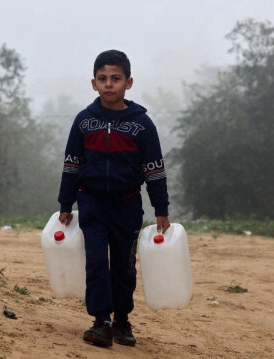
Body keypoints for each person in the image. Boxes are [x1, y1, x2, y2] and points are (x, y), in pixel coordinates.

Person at [57, 49, 170, 348]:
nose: (109, 84)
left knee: (124, 265)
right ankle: (100, 322)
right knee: (96, 262)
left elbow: (154, 169)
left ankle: (122, 320)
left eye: (116, 79)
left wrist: (161, 209)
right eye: (103, 78)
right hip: (91, 203)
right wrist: (65, 204)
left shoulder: (142, 125)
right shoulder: (84, 122)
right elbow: (72, 164)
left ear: (129, 83)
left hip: (128, 204)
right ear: (93, 83)